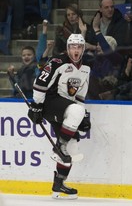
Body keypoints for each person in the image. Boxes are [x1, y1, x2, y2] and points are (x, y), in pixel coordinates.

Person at [27, 34, 91, 199]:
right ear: (68, 48)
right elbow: (41, 83)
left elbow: (80, 96)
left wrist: (81, 116)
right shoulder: (57, 62)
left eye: (79, 47)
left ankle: (59, 185)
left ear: (83, 49)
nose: (76, 50)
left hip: (67, 108)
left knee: (73, 147)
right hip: (51, 102)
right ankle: (59, 147)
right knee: (76, 114)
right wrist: (37, 105)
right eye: (73, 47)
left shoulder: (86, 68)